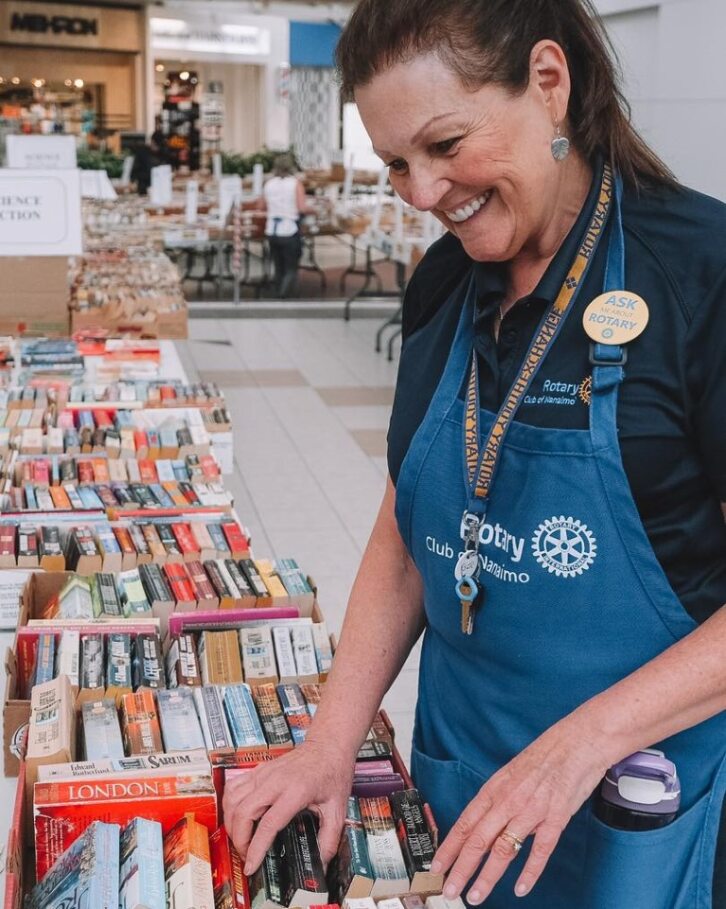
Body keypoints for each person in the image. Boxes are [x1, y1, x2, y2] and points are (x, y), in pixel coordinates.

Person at [223, 1, 726, 905]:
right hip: (458, 782)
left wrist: (579, 745)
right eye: (395, 164)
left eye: (445, 143)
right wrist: (331, 739)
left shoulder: (702, 276)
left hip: (642, 804)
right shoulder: (444, 284)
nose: (422, 192)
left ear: (548, 82)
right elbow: (408, 528)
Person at [260, 153, 311, 298]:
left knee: (278, 266)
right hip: (289, 230)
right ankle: (282, 296)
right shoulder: (295, 184)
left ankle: (277, 291)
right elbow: (301, 208)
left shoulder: (269, 184)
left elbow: (261, 206)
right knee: (291, 268)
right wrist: (314, 209)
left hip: (272, 230)